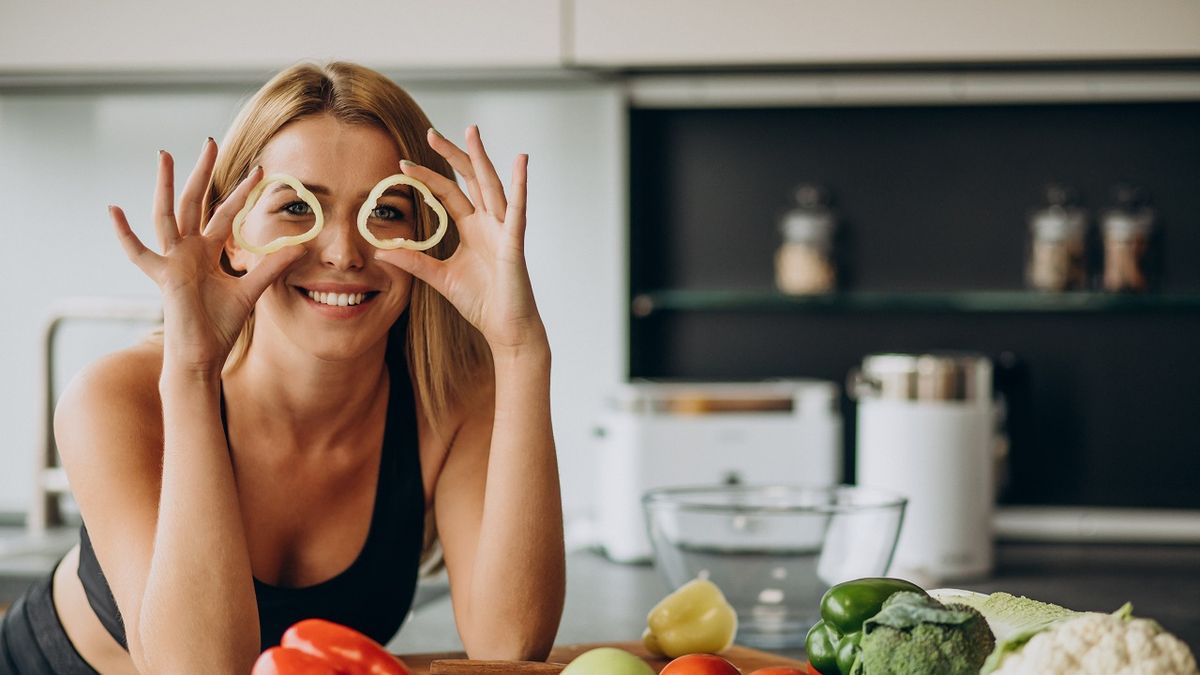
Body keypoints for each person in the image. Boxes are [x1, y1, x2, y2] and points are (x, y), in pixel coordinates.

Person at [0, 61, 565, 674]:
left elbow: (510, 647)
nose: (345, 253)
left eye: (385, 213)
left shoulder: (450, 401)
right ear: (234, 233)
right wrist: (192, 373)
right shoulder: (115, 398)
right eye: (297, 207)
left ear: (424, 236)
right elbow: (201, 671)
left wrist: (520, 351)